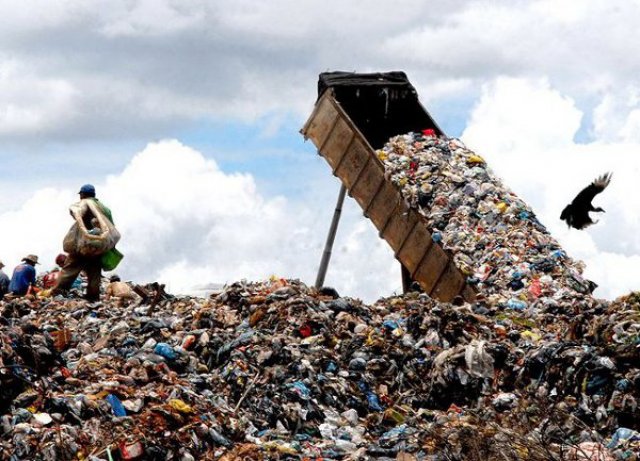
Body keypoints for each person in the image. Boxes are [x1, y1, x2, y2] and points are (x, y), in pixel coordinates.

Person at [52, 184, 115, 302]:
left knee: (70, 268)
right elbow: (111, 227)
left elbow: (76, 213)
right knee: (94, 271)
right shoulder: (105, 209)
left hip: (84, 244)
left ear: (83, 194)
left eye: (81, 194)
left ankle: (58, 292)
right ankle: (93, 298)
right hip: (99, 246)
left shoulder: (85, 203)